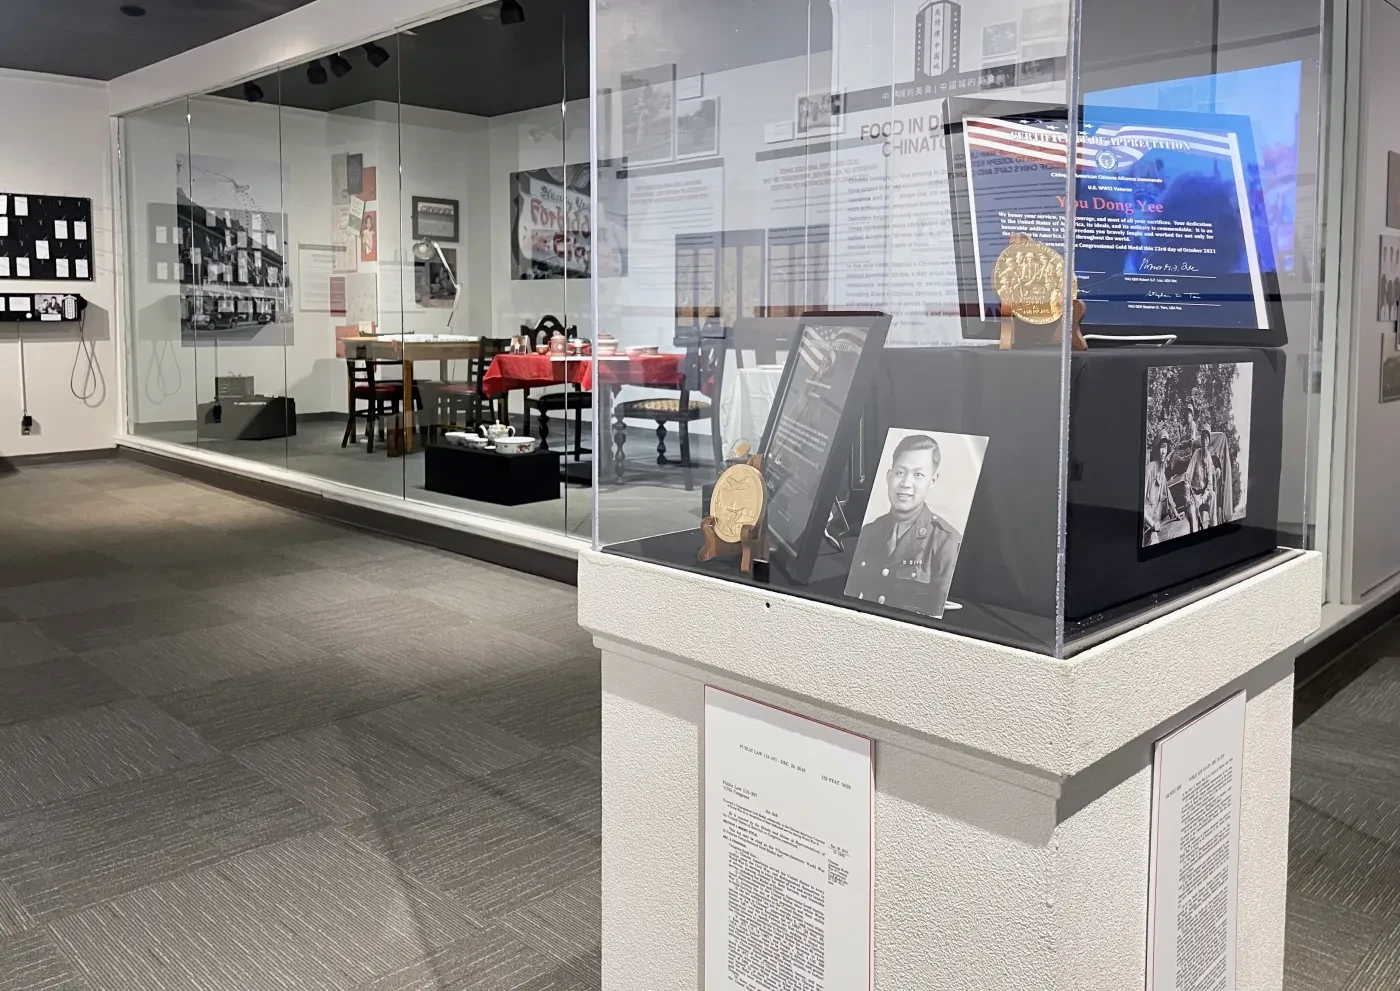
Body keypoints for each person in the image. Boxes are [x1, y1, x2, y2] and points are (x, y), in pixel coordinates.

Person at [845, 433, 963, 618]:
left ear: (932, 481)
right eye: (900, 472)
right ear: (889, 476)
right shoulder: (869, 532)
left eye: (918, 475)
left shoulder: (946, 542)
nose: (906, 484)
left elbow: (934, 617)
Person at [1143, 434, 1173, 545]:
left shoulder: (1162, 474)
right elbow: (1141, 505)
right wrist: (1152, 523)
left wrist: (1174, 511)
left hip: (1157, 524)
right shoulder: (1149, 470)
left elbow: (1167, 494)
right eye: (1161, 447)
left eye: (1165, 447)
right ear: (1157, 449)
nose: (1163, 451)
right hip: (1146, 527)